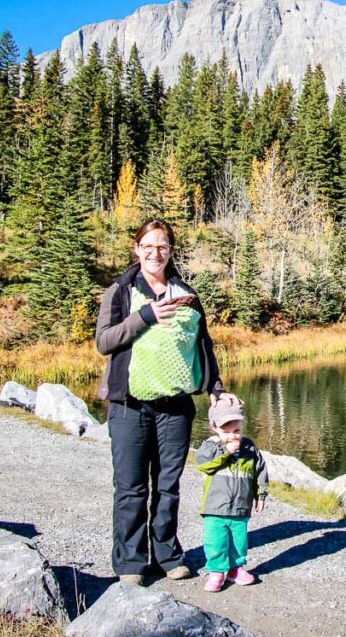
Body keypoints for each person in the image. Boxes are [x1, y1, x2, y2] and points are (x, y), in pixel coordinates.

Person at [95, 218, 240, 585]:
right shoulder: (122, 290)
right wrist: (144, 316)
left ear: (170, 251)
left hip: (174, 408)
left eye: (162, 246)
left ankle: (166, 554)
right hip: (128, 405)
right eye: (148, 245)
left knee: (168, 486)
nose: (154, 252)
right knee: (131, 486)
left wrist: (216, 389)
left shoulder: (186, 293)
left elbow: (202, 347)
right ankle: (130, 562)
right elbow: (104, 341)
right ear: (136, 249)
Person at [194, 397, 268, 592]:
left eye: (237, 431)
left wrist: (260, 494)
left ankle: (236, 568)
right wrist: (225, 452)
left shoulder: (249, 448)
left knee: (239, 540)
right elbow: (203, 464)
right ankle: (216, 571)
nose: (232, 437)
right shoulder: (211, 447)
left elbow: (260, 472)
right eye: (226, 432)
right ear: (214, 428)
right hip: (215, 506)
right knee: (215, 540)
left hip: (241, 506)